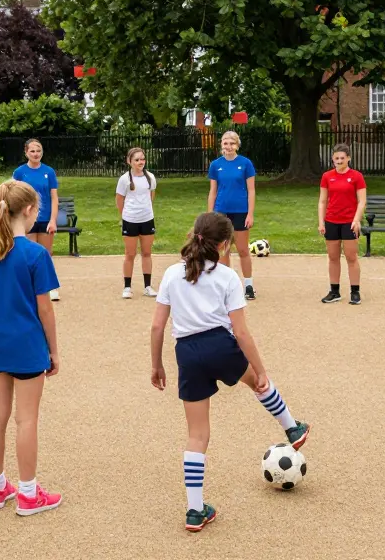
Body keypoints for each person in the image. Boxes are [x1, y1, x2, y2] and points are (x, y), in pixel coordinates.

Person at [150, 212, 310, 532]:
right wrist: (260, 370)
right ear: (225, 245)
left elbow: (157, 326)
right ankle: (292, 429)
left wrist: (156, 364)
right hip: (221, 347)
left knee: (197, 435)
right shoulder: (227, 278)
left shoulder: (170, 274)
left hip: (187, 354)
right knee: (259, 384)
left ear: (194, 235)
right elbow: (241, 332)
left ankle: (195, 511)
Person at [0, 180, 63, 516]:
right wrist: (53, 350)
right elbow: (45, 310)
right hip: (26, 344)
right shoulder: (36, 254)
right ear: (27, 210)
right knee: (27, 420)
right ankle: (28, 493)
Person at [206, 131, 258, 300]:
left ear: (237, 145)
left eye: (232, 143)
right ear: (221, 144)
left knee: (243, 249)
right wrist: (210, 215)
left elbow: (251, 190)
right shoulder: (215, 165)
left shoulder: (245, 163)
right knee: (223, 250)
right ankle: (225, 286)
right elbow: (213, 191)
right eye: (225, 143)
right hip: (221, 211)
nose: (228, 146)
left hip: (240, 211)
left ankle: (248, 285)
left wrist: (250, 213)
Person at [318, 143, 367, 305]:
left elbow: (362, 201)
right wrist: (321, 222)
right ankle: (334, 291)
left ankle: (355, 291)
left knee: (351, 257)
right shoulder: (327, 176)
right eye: (336, 158)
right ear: (332, 158)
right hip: (331, 221)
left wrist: (356, 219)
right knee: (333, 257)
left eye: (342, 158)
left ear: (348, 159)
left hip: (349, 222)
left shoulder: (356, 176)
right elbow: (323, 201)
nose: (339, 161)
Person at [12, 139, 61, 301]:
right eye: (32, 151)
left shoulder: (49, 171)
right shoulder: (20, 172)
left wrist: (53, 220)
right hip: (26, 218)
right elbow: (14, 195)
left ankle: (50, 286)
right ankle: (29, 285)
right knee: (28, 252)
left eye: (38, 150)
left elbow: (54, 198)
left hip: (45, 218)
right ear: (26, 152)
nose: (36, 154)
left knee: (46, 253)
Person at [116, 147, 157, 299]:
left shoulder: (150, 177)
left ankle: (148, 286)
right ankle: (127, 287)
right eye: (137, 160)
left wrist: (146, 210)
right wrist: (125, 215)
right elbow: (119, 199)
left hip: (147, 219)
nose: (140, 162)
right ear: (129, 161)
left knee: (146, 253)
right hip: (130, 220)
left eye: (142, 159)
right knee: (130, 254)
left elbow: (151, 195)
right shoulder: (124, 179)